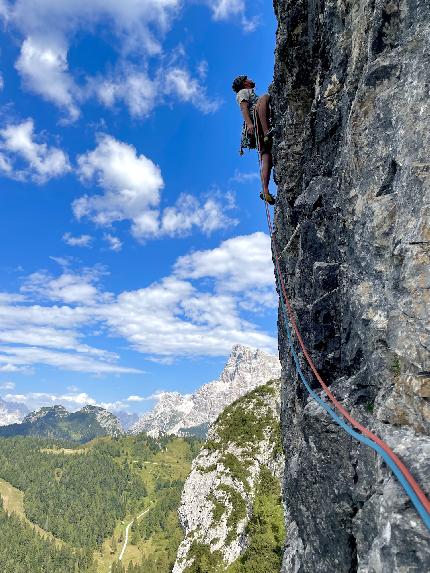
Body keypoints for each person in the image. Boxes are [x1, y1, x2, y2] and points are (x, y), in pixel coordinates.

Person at [232, 75, 276, 205]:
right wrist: (250, 124)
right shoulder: (243, 92)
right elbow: (244, 108)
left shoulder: (247, 92)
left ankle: (265, 190)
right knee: (264, 97)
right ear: (245, 83)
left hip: (256, 130)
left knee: (266, 155)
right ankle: (267, 131)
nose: (251, 79)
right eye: (248, 79)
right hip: (255, 123)